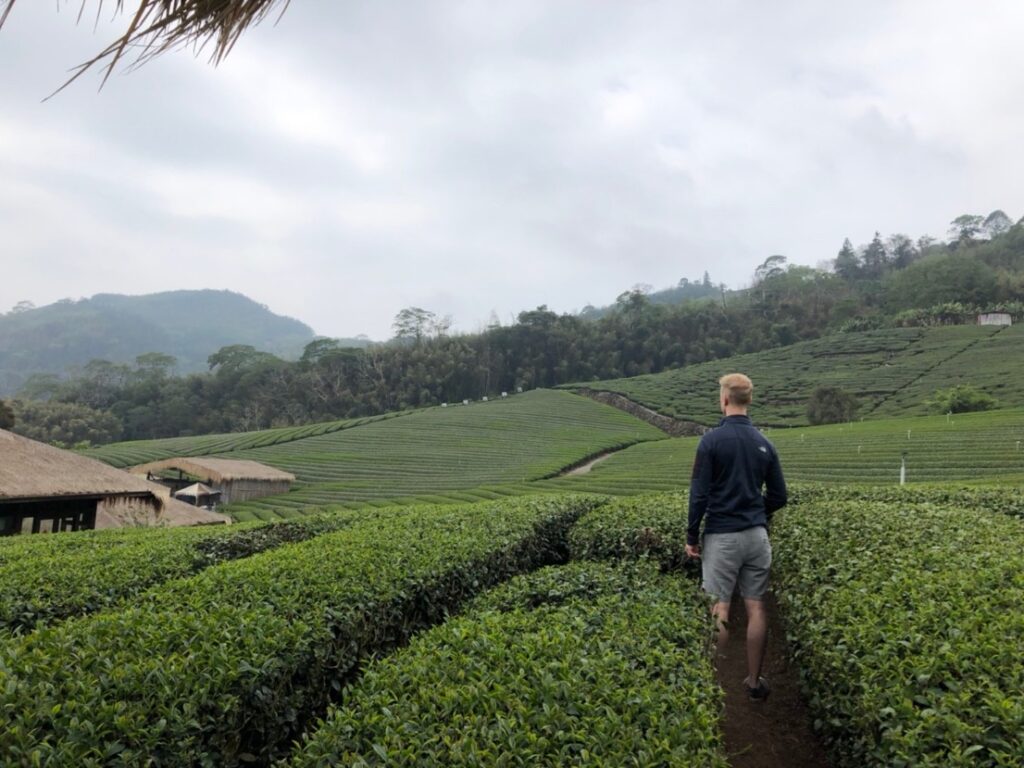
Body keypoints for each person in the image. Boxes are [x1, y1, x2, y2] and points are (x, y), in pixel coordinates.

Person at [685, 373, 787, 701]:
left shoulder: (711, 441)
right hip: (757, 537)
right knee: (757, 607)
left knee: (720, 607)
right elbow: (779, 495)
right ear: (748, 401)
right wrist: (757, 511)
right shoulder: (765, 443)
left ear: (725, 399)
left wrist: (691, 535)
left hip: (723, 537)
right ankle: (754, 682)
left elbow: (698, 495)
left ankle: (710, 685)